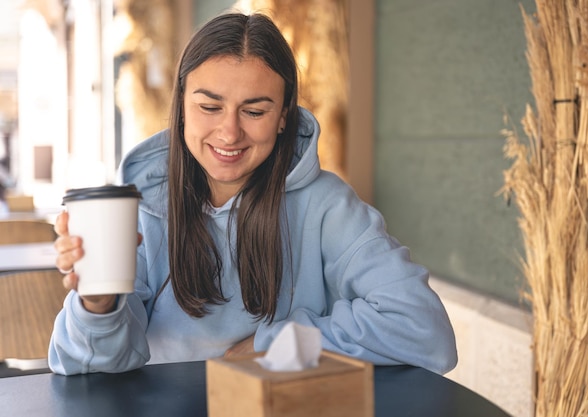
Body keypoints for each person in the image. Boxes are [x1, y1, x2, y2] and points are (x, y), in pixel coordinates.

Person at [50, 12, 457, 376]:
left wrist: (274, 343)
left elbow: (425, 330)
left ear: (283, 118)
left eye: (255, 111)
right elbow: (84, 366)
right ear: (181, 109)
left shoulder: (327, 206)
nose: (230, 133)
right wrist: (99, 306)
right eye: (210, 107)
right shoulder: (139, 209)